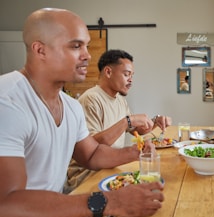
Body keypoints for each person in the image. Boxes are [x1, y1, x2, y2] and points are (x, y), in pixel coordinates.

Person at [0, 8, 164, 217]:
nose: (87, 55)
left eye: (86, 46)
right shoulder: (6, 100)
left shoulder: (71, 106)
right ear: (40, 50)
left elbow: (92, 154)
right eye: (76, 46)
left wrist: (137, 152)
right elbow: (5, 210)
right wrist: (109, 201)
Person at [65, 49, 171, 192]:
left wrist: (155, 121)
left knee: (160, 183)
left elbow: (137, 130)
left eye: (132, 75)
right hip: (87, 175)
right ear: (108, 72)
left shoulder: (120, 100)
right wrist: (128, 121)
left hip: (111, 166)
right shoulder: (90, 99)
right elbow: (90, 150)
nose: (130, 80)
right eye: (126, 74)